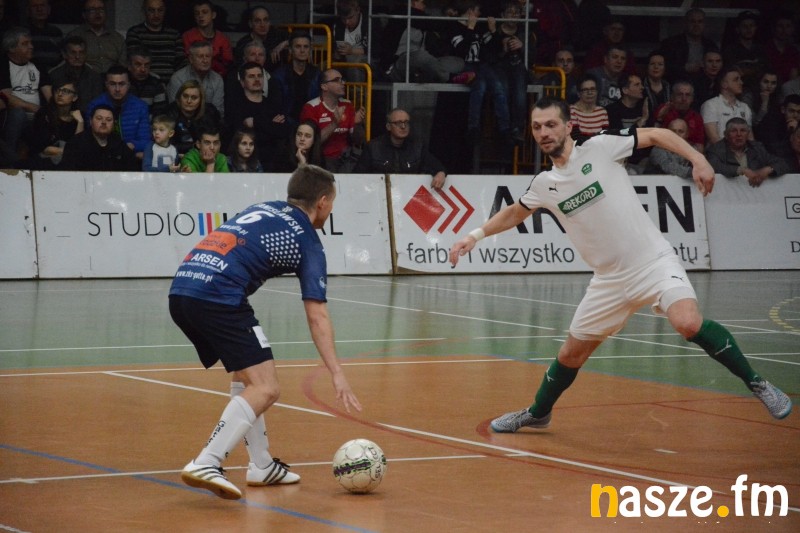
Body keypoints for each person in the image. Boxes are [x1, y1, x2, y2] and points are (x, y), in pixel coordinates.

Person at [449, 97, 792, 435]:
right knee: (570, 355)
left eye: (551, 124)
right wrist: (474, 236)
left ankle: (758, 384)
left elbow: (656, 134)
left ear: (569, 126)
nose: (544, 132)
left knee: (687, 322)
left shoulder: (601, 147)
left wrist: (698, 159)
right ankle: (538, 413)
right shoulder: (544, 184)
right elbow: (515, 212)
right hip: (609, 281)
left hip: (653, 263)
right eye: (537, 127)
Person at [171, 164, 362, 500]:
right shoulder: (308, 241)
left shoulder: (264, 207)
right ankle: (207, 461)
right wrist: (337, 373)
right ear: (322, 202)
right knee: (266, 387)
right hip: (218, 296)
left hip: (183, 289)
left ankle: (260, 465)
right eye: (332, 202)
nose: (331, 208)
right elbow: (317, 314)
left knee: (248, 376)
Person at [354, 107, 447, 190]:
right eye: (398, 123)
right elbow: (357, 177)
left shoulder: (417, 146)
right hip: (378, 196)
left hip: (409, 196)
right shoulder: (373, 147)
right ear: (388, 127)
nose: (403, 126)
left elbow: (436, 166)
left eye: (406, 122)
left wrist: (441, 173)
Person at [380, 0, 465, 84]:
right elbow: (431, 23)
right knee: (421, 57)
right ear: (413, 2)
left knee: (458, 62)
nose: (425, 6)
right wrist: (457, 22)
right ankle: (450, 79)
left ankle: (428, 75)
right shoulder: (401, 12)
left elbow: (436, 46)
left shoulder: (420, 21)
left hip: (421, 64)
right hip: (399, 62)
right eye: (422, 2)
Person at [225, 62, 288, 171]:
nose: (257, 79)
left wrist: (255, 123)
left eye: (259, 76)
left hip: (271, 162)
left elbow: (282, 132)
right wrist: (270, 126)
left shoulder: (273, 104)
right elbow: (241, 137)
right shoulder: (236, 106)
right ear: (242, 82)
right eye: (251, 76)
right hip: (244, 164)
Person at [300, 68, 366, 171]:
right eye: (336, 80)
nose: (343, 83)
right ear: (324, 86)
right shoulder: (311, 107)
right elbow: (311, 142)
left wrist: (357, 124)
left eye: (342, 80)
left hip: (346, 159)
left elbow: (358, 140)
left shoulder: (347, 105)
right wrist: (334, 124)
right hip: (321, 159)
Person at [86, 65, 152, 158]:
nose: (117, 89)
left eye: (122, 84)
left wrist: (126, 148)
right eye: (112, 84)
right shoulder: (94, 106)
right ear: (106, 85)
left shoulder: (140, 106)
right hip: (100, 157)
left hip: (131, 158)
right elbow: (89, 140)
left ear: (128, 85)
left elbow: (146, 142)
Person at [706, 117, 789, 187]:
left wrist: (768, 169)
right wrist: (741, 170)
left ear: (748, 134)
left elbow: (783, 163)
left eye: (743, 130)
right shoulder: (716, 149)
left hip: (756, 194)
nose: (739, 134)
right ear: (726, 134)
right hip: (726, 194)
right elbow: (713, 166)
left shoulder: (757, 148)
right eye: (734, 131)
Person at [60, 104, 139, 170]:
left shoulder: (119, 144)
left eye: (108, 120)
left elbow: (131, 170)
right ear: (91, 121)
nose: (104, 122)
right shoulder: (76, 143)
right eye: (99, 118)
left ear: (113, 124)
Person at [29, 80, 84, 169]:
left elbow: (79, 146)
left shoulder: (80, 116)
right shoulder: (44, 114)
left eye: (66, 91)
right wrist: (70, 152)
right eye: (57, 90)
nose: (60, 94)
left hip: (70, 162)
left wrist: (80, 122)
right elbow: (44, 148)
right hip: (44, 161)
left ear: (74, 97)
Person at [270, 33, 321, 128]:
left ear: (310, 50)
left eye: (306, 47)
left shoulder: (317, 74)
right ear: (290, 50)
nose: (302, 50)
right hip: (286, 125)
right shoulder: (279, 75)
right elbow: (275, 106)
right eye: (298, 46)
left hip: (311, 123)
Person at [125, 0, 182, 81]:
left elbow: (181, 62)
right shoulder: (135, 33)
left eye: (160, 10)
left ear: (165, 11)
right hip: (144, 83)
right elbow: (135, 62)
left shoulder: (174, 34)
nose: (156, 15)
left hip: (172, 83)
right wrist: (155, 82)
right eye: (151, 10)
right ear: (144, 11)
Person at [168, 40, 225, 119]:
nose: (205, 60)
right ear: (191, 59)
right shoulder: (178, 78)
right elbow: (174, 109)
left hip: (208, 123)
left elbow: (217, 111)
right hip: (182, 122)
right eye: (200, 56)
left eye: (208, 56)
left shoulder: (217, 79)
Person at [659, 8, 718, 83]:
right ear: (686, 23)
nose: (696, 25)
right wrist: (685, 68)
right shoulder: (671, 43)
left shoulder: (710, 45)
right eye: (692, 21)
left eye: (700, 22)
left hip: (704, 84)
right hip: (677, 83)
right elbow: (664, 67)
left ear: (704, 24)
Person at [66, 0, 126, 75]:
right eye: (92, 10)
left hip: (113, 79)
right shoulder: (75, 35)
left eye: (101, 9)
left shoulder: (117, 38)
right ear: (84, 15)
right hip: (84, 78)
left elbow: (123, 65)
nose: (98, 13)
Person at [48, 35, 103, 114]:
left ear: (86, 54)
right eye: (73, 53)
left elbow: (97, 106)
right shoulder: (54, 75)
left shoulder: (94, 77)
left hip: (88, 118)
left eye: (81, 52)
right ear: (64, 55)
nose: (77, 57)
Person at [166, 79, 222, 156]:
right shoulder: (170, 113)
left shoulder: (210, 113)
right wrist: (194, 146)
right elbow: (166, 144)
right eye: (185, 96)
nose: (189, 101)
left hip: (205, 156)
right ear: (179, 97)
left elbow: (217, 141)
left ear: (201, 100)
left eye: (194, 97)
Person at [700, 67, 752, 145]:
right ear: (724, 84)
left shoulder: (745, 107)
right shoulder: (710, 105)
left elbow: (750, 138)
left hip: (742, 151)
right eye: (736, 80)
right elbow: (714, 138)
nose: (741, 82)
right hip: (718, 151)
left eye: (740, 79)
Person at [181, 0, 233, 78]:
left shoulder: (223, 38)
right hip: (193, 77)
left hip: (219, 77)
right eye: (197, 13)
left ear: (213, 15)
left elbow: (228, 62)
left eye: (204, 12)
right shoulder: (187, 36)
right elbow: (187, 61)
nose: (200, 16)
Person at [653, 81, 705, 153]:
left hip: (688, 155)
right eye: (680, 94)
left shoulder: (697, 117)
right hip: (665, 153)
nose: (684, 99)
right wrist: (660, 119)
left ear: (692, 98)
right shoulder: (663, 110)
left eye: (688, 95)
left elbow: (699, 147)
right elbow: (653, 139)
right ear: (672, 97)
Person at [233, 5, 288, 73]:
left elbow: (297, 37)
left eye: (265, 20)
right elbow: (240, 69)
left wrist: (284, 44)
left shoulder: (276, 36)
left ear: (269, 23)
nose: (262, 25)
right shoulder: (243, 44)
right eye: (257, 21)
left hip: (275, 77)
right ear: (250, 24)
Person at [722, 11, 769, 91]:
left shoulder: (761, 49)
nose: (748, 29)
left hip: (759, 89)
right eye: (744, 26)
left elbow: (766, 70)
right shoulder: (730, 50)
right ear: (737, 29)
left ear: (756, 28)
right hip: (738, 90)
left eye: (751, 25)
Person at [325, 0, 368, 82]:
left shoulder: (369, 22)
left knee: (354, 63)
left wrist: (352, 51)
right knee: (325, 66)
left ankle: (357, 90)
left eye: (350, 17)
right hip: (343, 60)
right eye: (343, 19)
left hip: (366, 60)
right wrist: (337, 53)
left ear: (358, 10)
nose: (347, 22)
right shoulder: (337, 25)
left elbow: (375, 51)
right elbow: (334, 48)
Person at [127, 46, 168, 118]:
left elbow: (160, 113)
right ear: (129, 66)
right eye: (138, 64)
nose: (143, 69)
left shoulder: (156, 82)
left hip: (149, 123)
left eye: (146, 65)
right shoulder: (121, 80)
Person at [26, 0, 63, 73]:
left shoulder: (56, 32)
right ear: (28, 11)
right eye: (35, 6)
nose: (39, 9)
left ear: (49, 10)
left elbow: (61, 57)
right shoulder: (23, 33)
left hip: (54, 75)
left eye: (42, 5)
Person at [764, 11, 799, 85]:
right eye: (780, 26)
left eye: (788, 26)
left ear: (792, 29)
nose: (784, 30)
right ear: (774, 28)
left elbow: (793, 77)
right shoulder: (765, 49)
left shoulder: (793, 51)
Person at [569, 74, 608, 138]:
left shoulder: (602, 112)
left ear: (597, 92)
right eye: (585, 90)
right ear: (578, 94)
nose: (589, 93)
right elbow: (575, 137)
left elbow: (605, 136)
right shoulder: (572, 111)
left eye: (593, 89)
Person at [642, 51, 670, 127]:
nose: (656, 67)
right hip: (646, 127)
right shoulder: (640, 86)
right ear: (647, 66)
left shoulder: (669, 87)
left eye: (660, 64)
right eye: (652, 64)